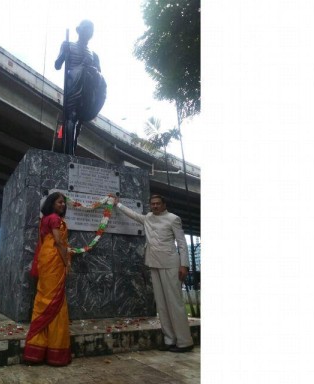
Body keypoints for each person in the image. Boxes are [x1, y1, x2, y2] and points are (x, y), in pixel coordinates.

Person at [114, 194, 193, 352]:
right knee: (162, 305)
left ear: (164, 204)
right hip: (153, 263)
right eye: (152, 204)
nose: (155, 206)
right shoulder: (149, 217)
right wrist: (118, 205)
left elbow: (182, 243)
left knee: (174, 303)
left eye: (158, 204)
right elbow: (135, 215)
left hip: (171, 264)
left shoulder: (173, 218)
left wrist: (184, 265)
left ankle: (184, 342)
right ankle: (169, 340)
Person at [23, 192, 73, 366]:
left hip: (45, 259)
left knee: (44, 298)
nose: (63, 205)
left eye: (64, 203)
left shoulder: (44, 219)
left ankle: (36, 349)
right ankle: (55, 351)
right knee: (56, 301)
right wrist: (66, 261)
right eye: (60, 202)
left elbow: (46, 241)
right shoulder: (54, 219)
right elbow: (59, 242)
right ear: (52, 203)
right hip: (54, 259)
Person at [54, 19, 106, 155]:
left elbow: (99, 73)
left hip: (88, 87)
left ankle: (73, 146)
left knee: (79, 121)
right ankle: (69, 152)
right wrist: (63, 53)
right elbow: (57, 65)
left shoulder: (94, 55)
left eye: (91, 29)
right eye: (86, 28)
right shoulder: (68, 45)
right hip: (74, 83)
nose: (89, 31)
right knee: (71, 117)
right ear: (79, 30)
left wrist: (93, 66)